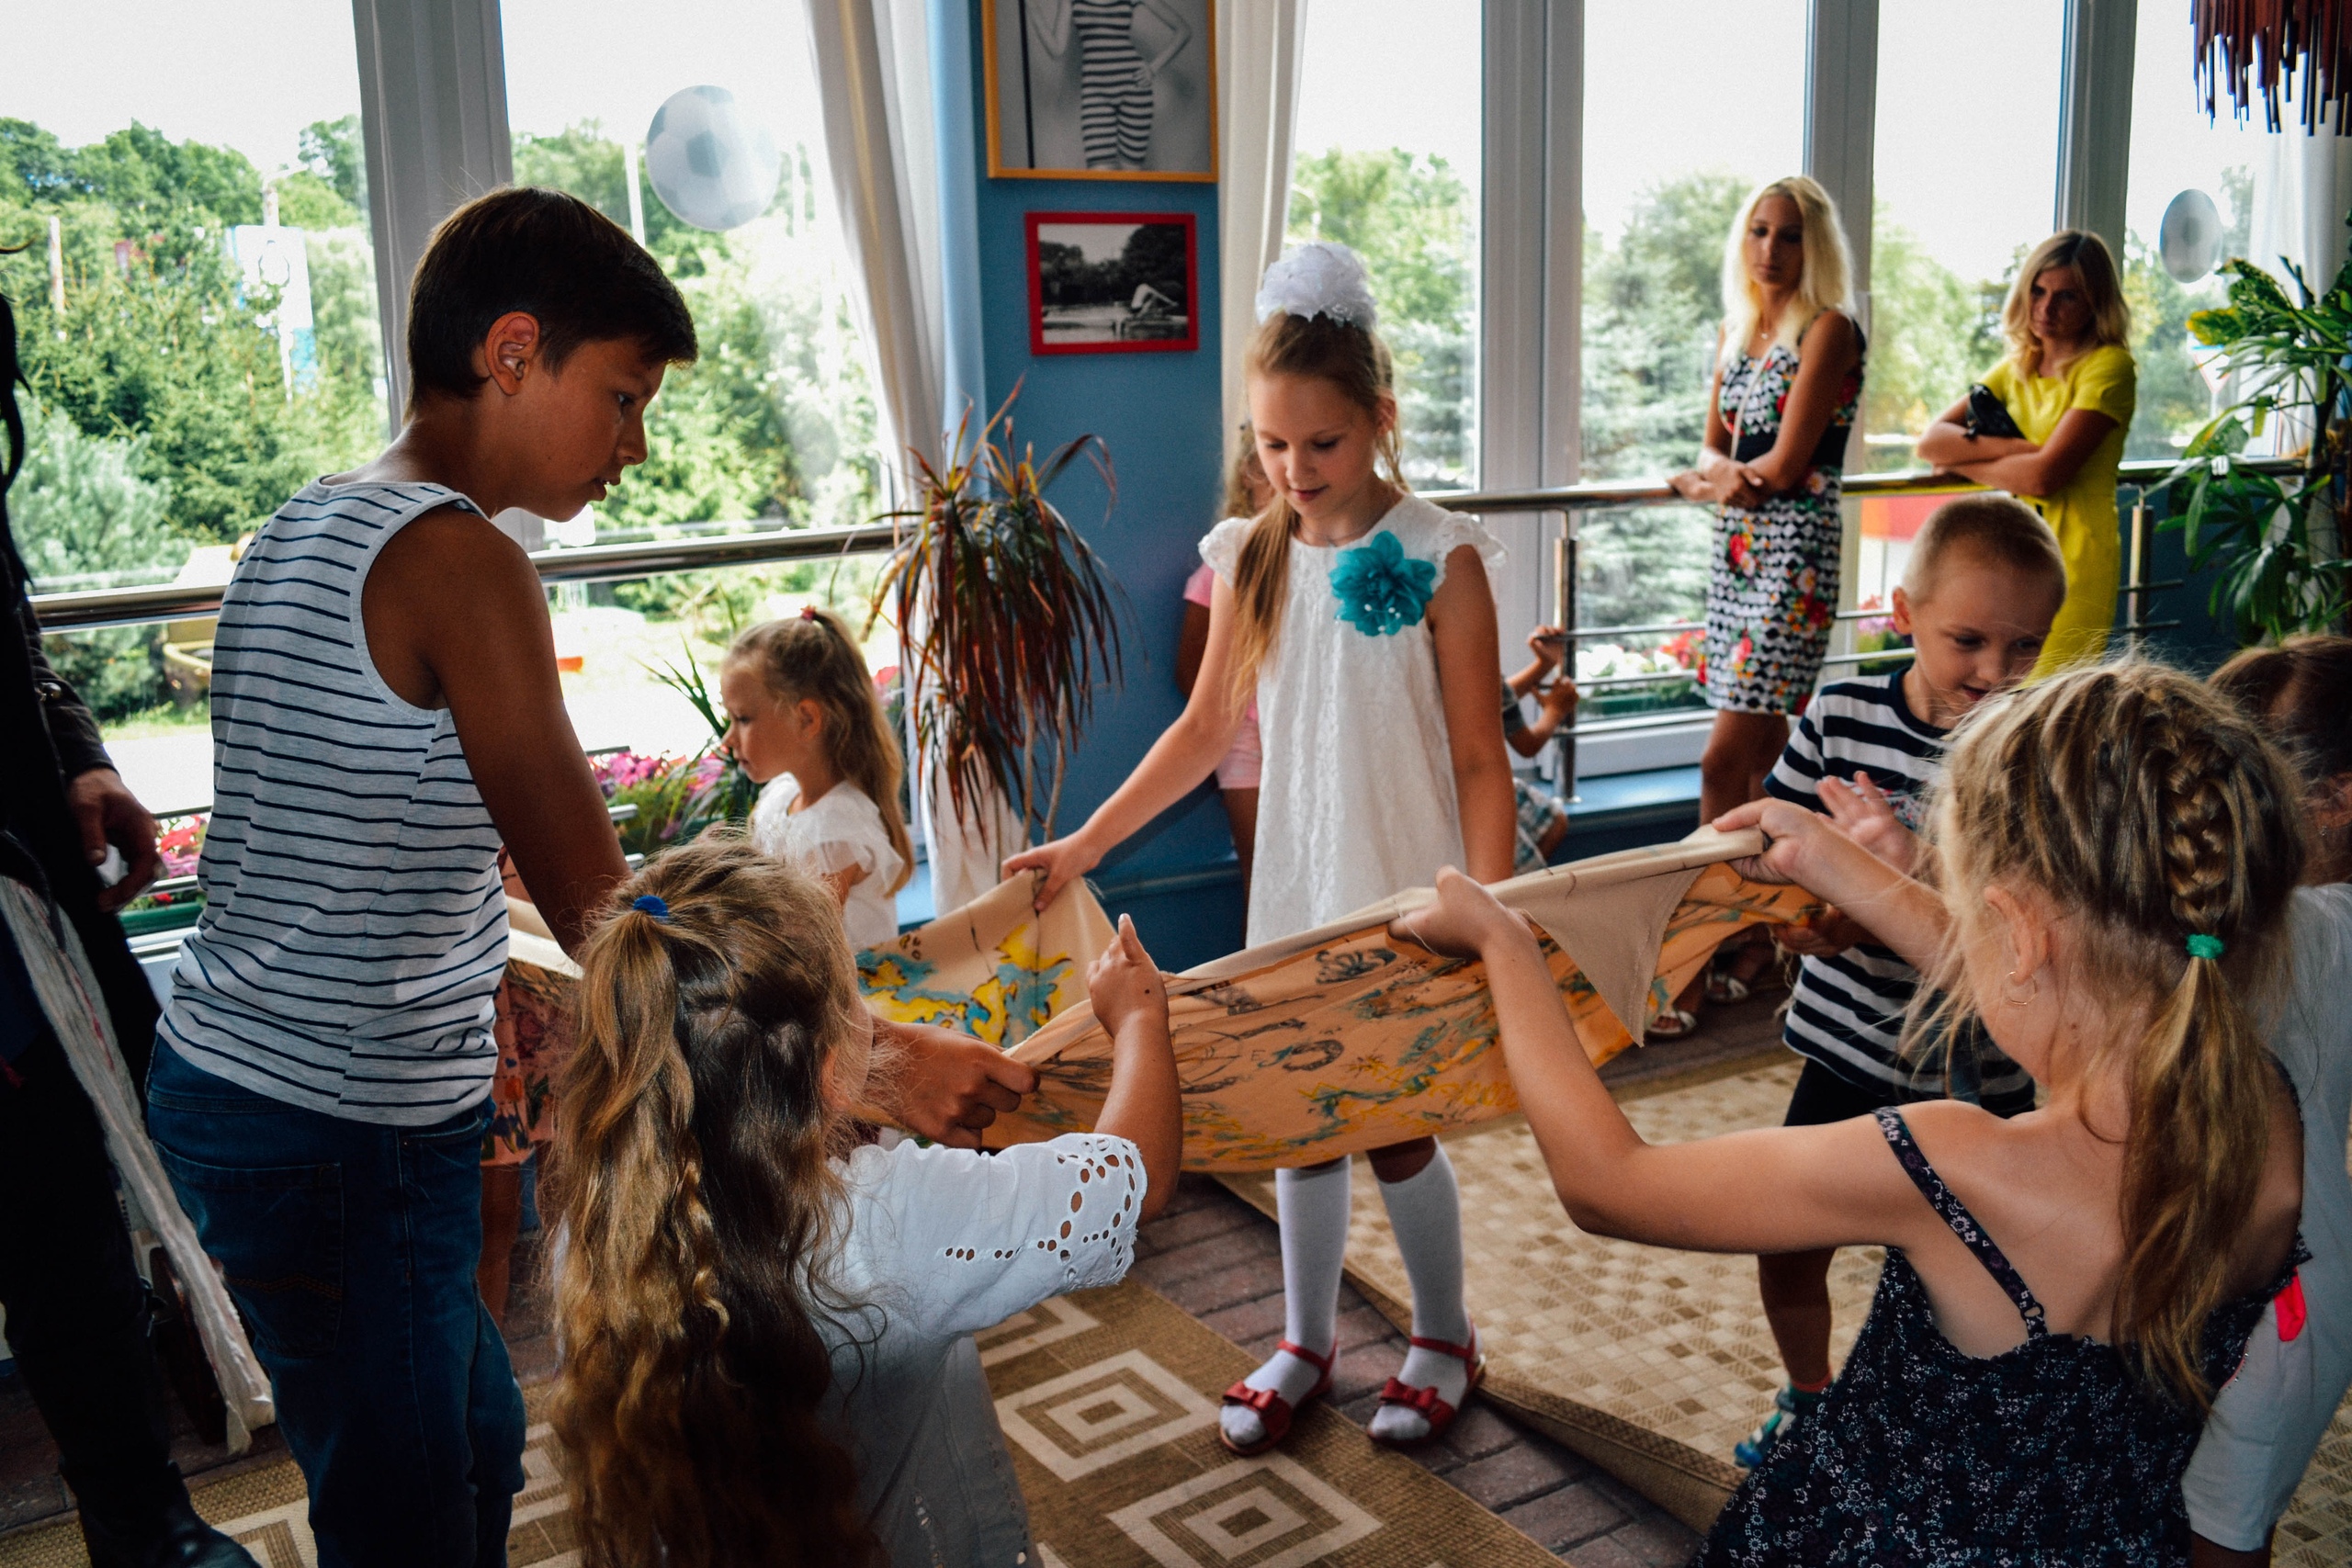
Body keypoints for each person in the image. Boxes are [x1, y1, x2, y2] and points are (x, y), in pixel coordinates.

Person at [144, 187, 1035, 1568]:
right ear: (513, 352)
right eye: (624, 398)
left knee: (467, 1438)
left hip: (244, 1079)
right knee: (411, 1507)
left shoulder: (306, 522)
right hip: (339, 1119)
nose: (637, 445)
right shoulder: (462, 560)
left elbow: (414, 823)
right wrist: (872, 1061)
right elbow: (603, 913)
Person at [1400, 660, 2308, 1562]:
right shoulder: (2267, 1119)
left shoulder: (1954, 1165)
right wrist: (1826, 860)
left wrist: (1504, 944)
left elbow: (1609, 1184)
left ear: (2021, 935)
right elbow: (2050, 981)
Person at [1009, 242, 1517, 1453]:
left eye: (1321, 443)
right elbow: (1202, 732)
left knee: (1396, 1122)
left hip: (1411, 891)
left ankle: (1444, 1333)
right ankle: (1306, 1338)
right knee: (1300, 1109)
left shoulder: (1441, 556)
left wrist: (1495, 911)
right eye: (1271, 444)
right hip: (1295, 883)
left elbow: (1479, 757)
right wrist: (1083, 841)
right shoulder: (1252, 552)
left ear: (1379, 418)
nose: (1294, 469)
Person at [548, 836, 1181, 1567]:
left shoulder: (599, 1225)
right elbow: (1134, 1176)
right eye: (854, 989)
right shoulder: (894, 1217)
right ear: (830, 1066)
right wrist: (1139, 1021)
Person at [1726, 494, 2064, 1470]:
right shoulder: (1837, 713)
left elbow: (2028, 923)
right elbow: (1774, 850)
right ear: (1904, 614)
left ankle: (1944, 1430)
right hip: (1846, 1048)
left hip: (1977, 1076)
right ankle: (1809, 1398)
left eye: (2025, 646)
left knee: (1964, 1273)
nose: (1995, 673)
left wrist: (1902, 865)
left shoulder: (2035, 751)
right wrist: (1802, 921)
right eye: (1968, 640)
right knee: (1786, 1237)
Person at [0, 289, 256, 1566]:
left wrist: (74, 756)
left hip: (21, 923)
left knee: (72, 1238)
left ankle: (146, 1529)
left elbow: (9, 637)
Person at [2184, 637, 2352, 1567]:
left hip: (2278, 1310)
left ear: (2335, 801)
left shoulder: (2309, 928)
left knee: (2223, 1534)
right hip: (2254, 1282)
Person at [1668, 175, 1866, 825]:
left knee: (1720, 762)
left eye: (1789, 236)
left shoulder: (1829, 329)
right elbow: (1710, 446)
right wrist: (1715, 473)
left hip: (1793, 558)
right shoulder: (1737, 328)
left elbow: (1781, 468)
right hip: (1737, 551)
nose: (1770, 249)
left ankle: (1712, 888)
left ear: (1816, 247)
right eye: (1759, 231)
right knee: (1769, 754)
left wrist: (1705, 482)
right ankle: (1781, 877)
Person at [1914, 231, 2135, 676]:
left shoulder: (2110, 367)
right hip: (2018, 551)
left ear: (2095, 302)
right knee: (2001, 685)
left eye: (2066, 296)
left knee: (2050, 696)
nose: (2046, 308)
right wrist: (2017, 450)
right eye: (2038, 291)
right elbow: (1930, 443)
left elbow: (2043, 478)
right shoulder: (2018, 367)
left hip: (2078, 555)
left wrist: (1965, 461)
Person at [724, 605, 913, 951]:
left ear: (807, 720)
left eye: (743, 719)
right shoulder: (781, 797)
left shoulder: (835, 830)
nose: (728, 739)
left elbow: (803, 947)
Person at [1178, 429, 1274, 900]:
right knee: (1263, 878)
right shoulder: (1224, 567)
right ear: (1248, 477)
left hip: (1299, 734)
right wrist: (1242, 717)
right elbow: (1189, 670)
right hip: (1244, 739)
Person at [1025, 0, 1194, 171]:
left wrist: (1153, 68)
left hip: (1134, 90)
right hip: (1095, 92)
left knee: (1131, 175)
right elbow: (1057, 50)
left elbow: (1183, 31)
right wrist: (1033, 9)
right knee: (1099, 175)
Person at [1503, 626, 1579, 874]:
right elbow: (1527, 745)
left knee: (1554, 820)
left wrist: (1543, 666)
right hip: (1470, 791)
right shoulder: (1472, 654)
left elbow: (1491, 698)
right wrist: (1555, 711)